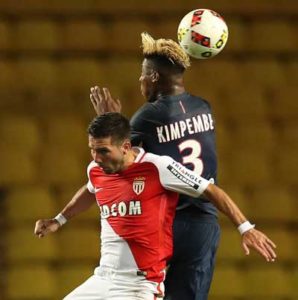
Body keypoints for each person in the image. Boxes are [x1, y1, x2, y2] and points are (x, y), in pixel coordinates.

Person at [34, 113, 276, 300]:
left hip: (140, 285)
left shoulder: (157, 167)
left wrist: (246, 228)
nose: (96, 158)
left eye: (103, 151)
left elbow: (211, 190)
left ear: (126, 147)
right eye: (92, 150)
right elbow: (89, 191)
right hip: (103, 277)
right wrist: (58, 220)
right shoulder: (97, 170)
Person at [89, 32, 220, 300]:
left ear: (155, 78)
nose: (140, 81)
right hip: (202, 224)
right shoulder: (204, 108)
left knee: (135, 289)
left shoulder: (147, 118)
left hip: (164, 222)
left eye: (143, 75)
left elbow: (120, 161)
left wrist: (109, 119)